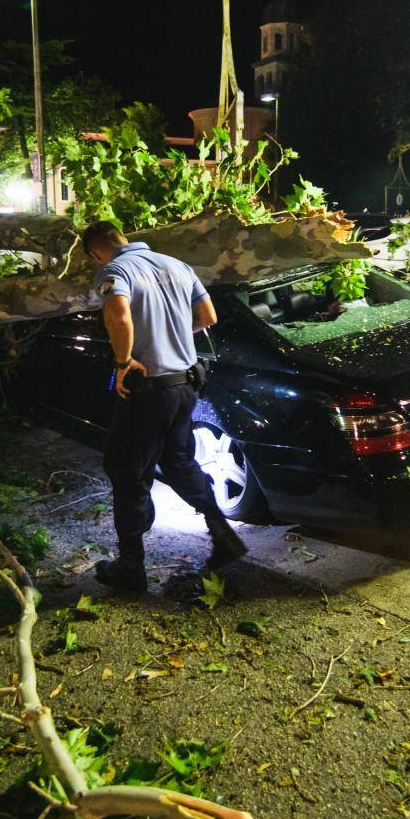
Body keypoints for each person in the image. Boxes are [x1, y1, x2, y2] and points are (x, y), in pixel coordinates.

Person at [81, 220, 248, 591]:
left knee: (127, 470)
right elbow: (208, 317)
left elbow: (117, 313)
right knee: (178, 461)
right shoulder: (176, 264)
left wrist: (124, 361)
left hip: (149, 390)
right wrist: (170, 334)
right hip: (185, 385)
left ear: (96, 253)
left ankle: (130, 566)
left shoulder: (115, 270)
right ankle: (222, 533)